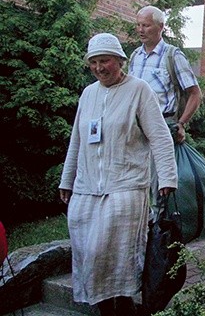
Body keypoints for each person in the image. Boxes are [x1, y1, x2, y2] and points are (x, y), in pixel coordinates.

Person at [59, 33, 177, 316]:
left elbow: (160, 137)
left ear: (120, 61)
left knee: (115, 259)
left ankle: (123, 309)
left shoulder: (139, 90)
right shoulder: (88, 94)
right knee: (89, 256)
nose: (100, 68)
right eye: (94, 62)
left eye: (106, 61)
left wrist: (167, 177)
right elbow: (77, 139)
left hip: (125, 188)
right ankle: (107, 311)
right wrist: (67, 179)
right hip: (87, 189)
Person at [128, 5, 201, 216]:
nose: (141, 30)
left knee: (157, 189)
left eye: (146, 25)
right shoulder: (135, 56)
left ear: (160, 27)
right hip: (135, 128)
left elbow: (195, 94)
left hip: (161, 126)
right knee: (135, 184)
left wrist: (181, 123)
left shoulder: (172, 56)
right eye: (138, 25)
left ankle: (159, 238)